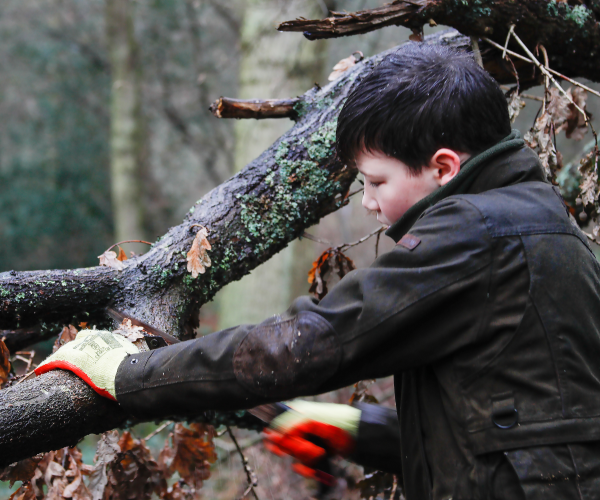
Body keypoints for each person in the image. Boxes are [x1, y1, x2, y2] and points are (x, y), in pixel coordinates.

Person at [36, 43, 600, 500]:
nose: (369, 204)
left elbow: (304, 345)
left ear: (443, 168)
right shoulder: (541, 225)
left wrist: (127, 374)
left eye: (377, 182)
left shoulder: (479, 234)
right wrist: (358, 430)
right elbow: (514, 429)